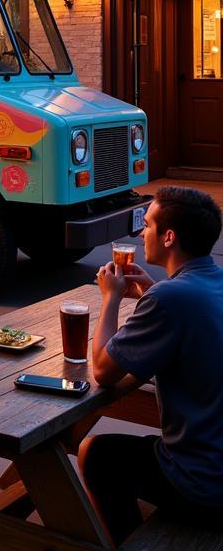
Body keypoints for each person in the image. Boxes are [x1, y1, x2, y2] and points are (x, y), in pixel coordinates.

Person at [78, 186, 223, 543]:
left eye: (146, 225)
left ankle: (128, 541)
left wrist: (111, 298)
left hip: (205, 484)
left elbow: (103, 371)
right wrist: (151, 292)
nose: (141, 234)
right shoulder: (208, 284)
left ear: (169, 236)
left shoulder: (169, 298)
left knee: (95, 452)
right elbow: (190, 323)